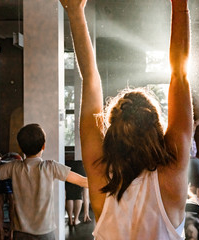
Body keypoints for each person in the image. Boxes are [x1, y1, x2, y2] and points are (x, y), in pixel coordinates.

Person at [61, 0, 192, 239]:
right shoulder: (171, 173)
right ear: (157, 127)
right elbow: (180, 74)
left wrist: (75, 11)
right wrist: (180, 6)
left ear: (114, 130)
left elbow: (90, 80)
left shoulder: (101, 175)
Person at [0, 123, 88, 239]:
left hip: (21, 233)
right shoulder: (51, 167)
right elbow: (83, 182)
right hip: (45, 233)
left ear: (20, 148)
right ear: (43, 146)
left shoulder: (13, 167)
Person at [0, 152, 22, 240]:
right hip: (11, 168)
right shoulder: (18, 164)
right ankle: (11, 232)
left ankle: (2, 234)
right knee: (12, 202)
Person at [65, 160, 91, 225]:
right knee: (78, 195)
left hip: (67, 166)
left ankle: (70, 220)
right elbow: (86, 196)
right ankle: (76, 219)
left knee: (69, 195)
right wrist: (86, 213)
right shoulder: (85, 167)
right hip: (80, 166)